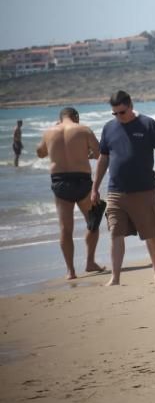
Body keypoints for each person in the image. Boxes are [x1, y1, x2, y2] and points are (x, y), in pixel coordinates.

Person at [90, 91, 155, 286]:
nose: (119, 117)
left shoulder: (147, 124)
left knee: (151, 232)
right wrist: (95, 187)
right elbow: (103, 159)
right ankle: (116, 277)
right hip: (116, 191)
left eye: (122, 112)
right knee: (115, 233)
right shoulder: (109, 128)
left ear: (130, 105)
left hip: (144, 190)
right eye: (115, 113)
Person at [36, 107, 104, 279]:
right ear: (76, 117)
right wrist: (85, 154)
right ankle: (90, 262)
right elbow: (99, 154)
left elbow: (40, 153)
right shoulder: (84, 130)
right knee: (93, 221)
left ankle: (70, 271)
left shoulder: (49, 132)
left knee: (66, 229)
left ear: (60, 118)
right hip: (82, 181)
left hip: (60, 182)